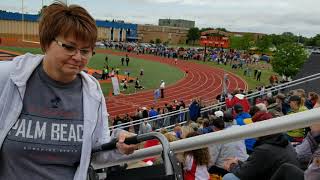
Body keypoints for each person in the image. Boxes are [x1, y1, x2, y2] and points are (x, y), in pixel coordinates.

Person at [0, 3, 136, 180]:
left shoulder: (93, 92)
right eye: (69, 47)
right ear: (47, 43)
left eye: (85, 51)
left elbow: (96, 152)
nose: (78, 57)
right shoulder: (8, 77)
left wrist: (119, 143)